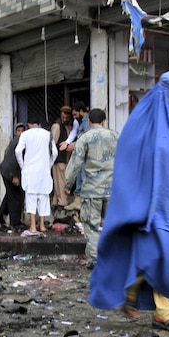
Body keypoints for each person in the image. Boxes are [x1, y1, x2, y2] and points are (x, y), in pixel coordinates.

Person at [89, 71, 169, 333]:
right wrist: (137, 199)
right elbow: (130, 160)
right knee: (153, 256)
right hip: (152, 207)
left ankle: (163, 313)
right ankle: (132, 291)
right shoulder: (144, 121)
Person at [62, 108, 117, 268]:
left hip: (92, 190)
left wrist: (67, 184)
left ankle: (96, 261)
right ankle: (113, 257)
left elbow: (75, 163)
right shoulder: (115, 136)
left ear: (90, 122)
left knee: (92, 226)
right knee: (112, 225)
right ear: (104, 121)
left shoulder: (85, 138)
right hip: (112, 190)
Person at [15, 117, 57, 236]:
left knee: (31, 198)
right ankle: (42, 225)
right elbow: (55, 152)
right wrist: (48, 164)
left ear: (29, 124)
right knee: (43, 197)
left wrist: (23, 166)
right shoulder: (48, 134)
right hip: (44, 171)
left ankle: (33, 226)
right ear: (39, 124)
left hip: (30, 170)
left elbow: (18, 151)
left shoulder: (25, 134)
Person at [0, 122, 26, 229]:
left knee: (10, 194)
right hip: (10, 172)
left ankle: (0, 216)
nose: (21, 133)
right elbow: (14, 159)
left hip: (6, 170)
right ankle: (15, 222)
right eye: (19, 131)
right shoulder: (20, 142)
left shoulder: (16, 141)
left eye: (23, 130)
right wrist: (14, 175)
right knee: (16, 197)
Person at [64, 101, 90, 212]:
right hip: (82, 154)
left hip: (86, 155)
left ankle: (79, 201)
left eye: (75, 114)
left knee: (82, 176)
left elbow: (86, 139)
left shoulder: (87, 122)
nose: (74, 117)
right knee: (79, 174)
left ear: (81, 111)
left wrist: (74, 145)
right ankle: (77, 200)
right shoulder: (80, 122)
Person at [49, 106, 75, 209]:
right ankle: (62, 203)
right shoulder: (57, 126)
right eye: (63, 117)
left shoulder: (68, 127)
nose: (65, 119)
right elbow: (52, 144)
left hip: (65, 159)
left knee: (60, 183)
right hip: (59, 159)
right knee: (61, 183)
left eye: (67, 117)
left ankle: (57, 202)